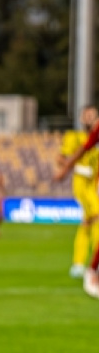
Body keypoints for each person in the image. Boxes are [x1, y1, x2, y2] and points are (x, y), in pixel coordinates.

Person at [55, 113, 99, 297]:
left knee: (89, 223)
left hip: (93, 184)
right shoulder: (75, 136)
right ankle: (88, 268)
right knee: (93, 219)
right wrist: (67, 169)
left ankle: (86, 267)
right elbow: (70, 155)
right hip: (84, 185)